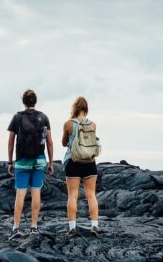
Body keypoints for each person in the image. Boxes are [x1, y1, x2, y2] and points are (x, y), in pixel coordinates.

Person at [7, 90, 54, 240]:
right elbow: (49, 142)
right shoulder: (44, 117)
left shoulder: (17, 117)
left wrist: (10, 161)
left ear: (24, 102)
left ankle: (16, 228)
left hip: (22, 160)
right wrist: (51, 162)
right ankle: (34, 227)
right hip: (39, 159)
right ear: (35, 101)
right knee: (36, 193)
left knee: (20, 193)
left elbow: (10, 141)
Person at [62, 96, 100, 237]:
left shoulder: (68, 124)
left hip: (73, 161)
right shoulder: (93, 125)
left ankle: (72, 228)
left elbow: (64, 142)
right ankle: (95, 226)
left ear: (75, 108)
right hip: (89, 162)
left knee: (73, 195)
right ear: (86, 109)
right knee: (91, 195)